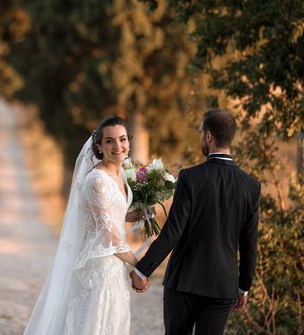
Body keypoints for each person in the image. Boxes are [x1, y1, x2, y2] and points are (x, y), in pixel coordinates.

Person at [131, 108, 261, 335]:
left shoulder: (190, 177)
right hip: (222, 286)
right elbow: (249, 243)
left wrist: (143, 270)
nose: (201, 137)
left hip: (184, 281)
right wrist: (243, 286)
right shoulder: (251, 186)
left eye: (201, 132)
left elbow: (173, 231)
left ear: (209, 136)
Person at [23, 115, 141, 335]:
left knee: (113, 325)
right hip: (98, 270)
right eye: (110, 141)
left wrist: (133, 214)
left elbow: (107, 213)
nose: (118, 146)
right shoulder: (97, 180)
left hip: (116, 267)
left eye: (123, 139)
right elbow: (108, 234)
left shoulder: (122, 174)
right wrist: (140, 265)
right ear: (99, 146)